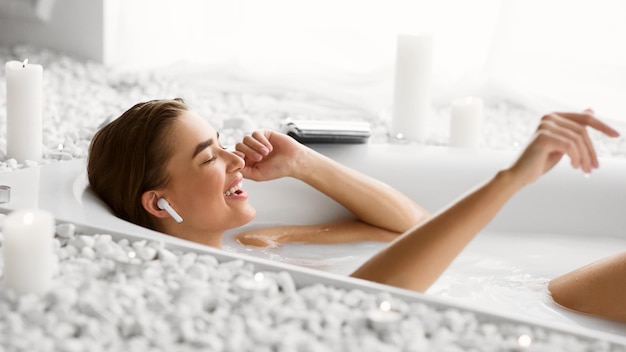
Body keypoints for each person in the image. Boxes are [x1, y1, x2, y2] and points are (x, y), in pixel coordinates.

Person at [87, 98, 624, 322]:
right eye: (209, 156)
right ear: (159, 203)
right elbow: (361, 301)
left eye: (223, 140)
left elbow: (412, 228)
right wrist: (511, 180)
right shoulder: (203, 297)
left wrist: (302, 164)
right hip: (503, 322)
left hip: (520, 298)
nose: (233, 158)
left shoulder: (259, 244)